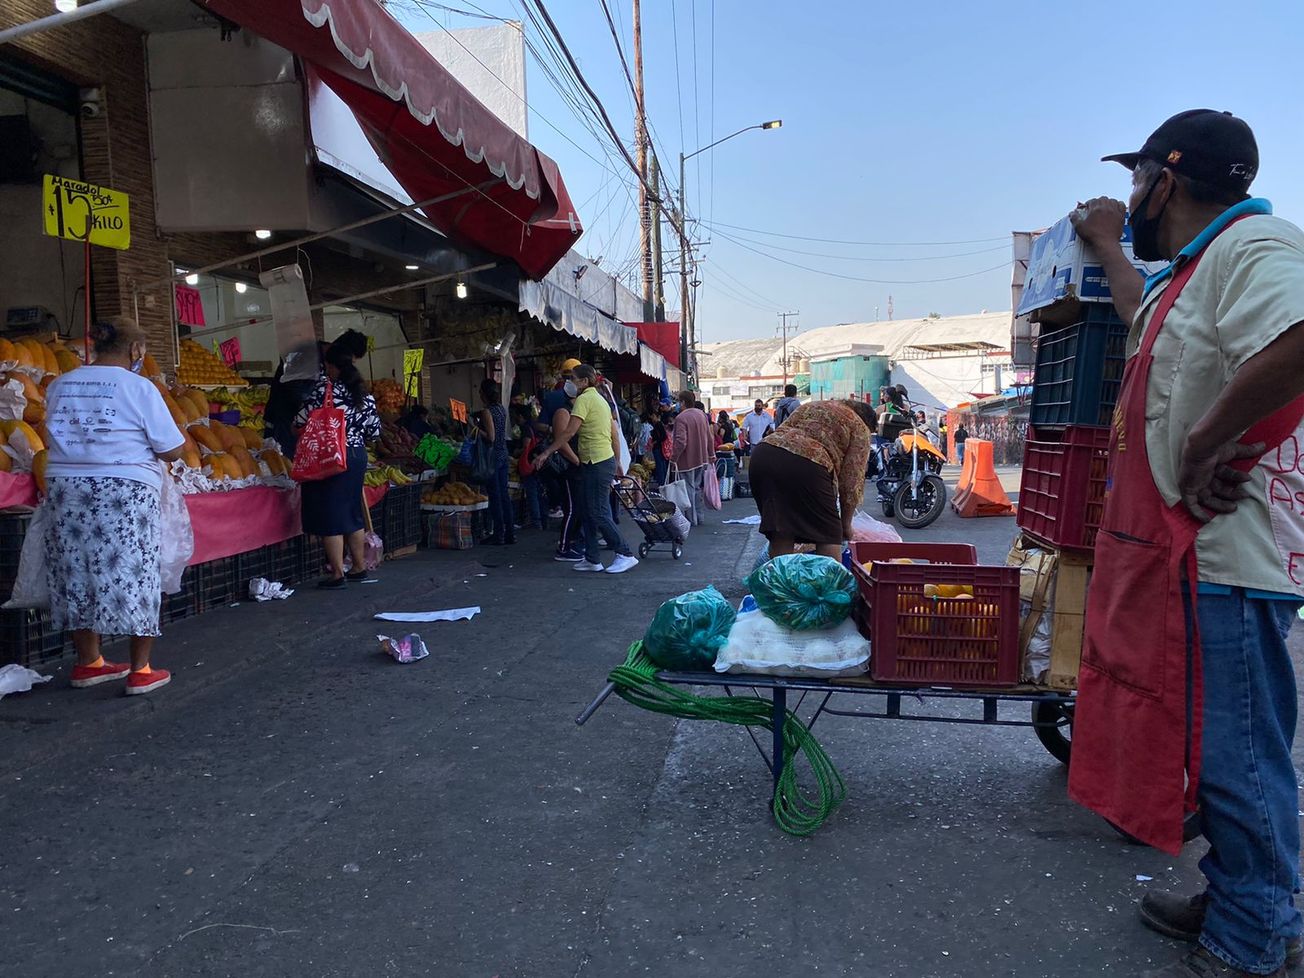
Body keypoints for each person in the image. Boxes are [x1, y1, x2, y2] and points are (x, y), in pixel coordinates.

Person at [1067, 109, 1304, 978]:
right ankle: (1249, 896)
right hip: (1186, 558)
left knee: (1237, 757)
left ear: (1164, 182)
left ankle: (1255, 937)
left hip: (1225, 555)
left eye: (1136, 181)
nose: (1131, 196)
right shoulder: (1190, 274)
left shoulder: (1256, 245)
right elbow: (1144, 317)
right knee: (1208, 753)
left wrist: (1208, 438)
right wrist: (1107, 248)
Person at [43, 317, 187, 695]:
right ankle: (141, 669)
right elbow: (172, 449)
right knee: (136, 571)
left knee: (76, 569)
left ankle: (89, 662)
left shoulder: (60, 384)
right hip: (123, 489)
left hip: (65, 488)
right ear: (136, 349)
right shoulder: (139, 387)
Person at [535, 364, 637, 574]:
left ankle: (625, 553)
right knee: (588, 510)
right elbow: (614, 434)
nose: (569, 382)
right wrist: (617, 461)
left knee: (598, 512)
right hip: (598, 461)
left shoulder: (584, 400)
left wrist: (546, 452)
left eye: (572, 378)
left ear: (583, 381)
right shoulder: (600, 400)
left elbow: (568, 432)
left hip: (596, 463)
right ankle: (592, 558)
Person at [295, 344, 382, 588]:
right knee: (351, 510)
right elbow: (375, 432)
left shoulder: (323, 391)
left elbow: (300, 421)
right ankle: (359, 566)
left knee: (330, 513)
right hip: (357, 455)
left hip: (330, 456)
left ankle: (337, 573)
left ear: (332, 367)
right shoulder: (363, 394)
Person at [747, 399, 876, 560]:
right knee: (828, 533)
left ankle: (781, 576)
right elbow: (851, 481)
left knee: (781, 528)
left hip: (763, 455)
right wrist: (845, 525)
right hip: (807, 462)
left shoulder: (814, 405)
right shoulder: (860, 426)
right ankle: (828, 577)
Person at [475, 379, 513, 546]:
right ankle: (510, 533)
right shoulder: (501, 409)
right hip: (503, 454)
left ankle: (499, 534)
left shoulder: (487, 412)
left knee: (495, 495)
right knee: (504, 495)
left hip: (492, 457)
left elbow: (491, 437)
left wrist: (475, 428)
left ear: (484, 394)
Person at [670, 390, 714, 526]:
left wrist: (673, 458)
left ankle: (691, 519)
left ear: (683, 402)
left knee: (688, 489)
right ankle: (699, 517)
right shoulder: (701, 415)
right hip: (702, 458)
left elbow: (681, 441)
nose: (677, 404)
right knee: (696, 488)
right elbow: (709, 436)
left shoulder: (681, 418)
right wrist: (711, 454)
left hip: (686, 460)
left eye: (678, 401)